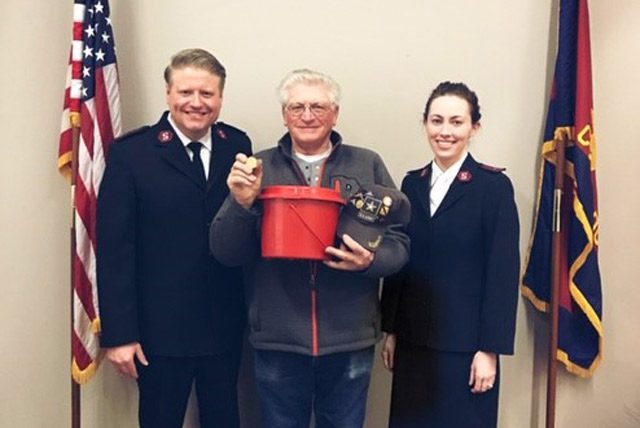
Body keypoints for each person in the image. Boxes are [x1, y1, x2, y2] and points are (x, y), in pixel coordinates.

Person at [210, 69, 410, 428]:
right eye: (296, 106)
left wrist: (370, 260)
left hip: (349, 338)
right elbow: (225, 251)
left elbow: (398, 242)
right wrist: (241, 204)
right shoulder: (258, 167)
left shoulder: (367, 164)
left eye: (318, 106)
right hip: (277, 340)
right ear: (284, 115)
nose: (307, 115)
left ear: (335, 113)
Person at [97, 48, 252, 428]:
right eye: (186, 92)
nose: (196, 103)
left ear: (220, 98)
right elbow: (115, 250)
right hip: (158, 332)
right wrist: (120, 335)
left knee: (224, 419)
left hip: (223, 324)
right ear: (168, 94)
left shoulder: (238, 145)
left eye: (207, 94)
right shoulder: (132, 154)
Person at [380, 81, 520, 428]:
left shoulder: (493, 188)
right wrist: (392, 330)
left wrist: (490, 350)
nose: (445, 131)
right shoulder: (412, 183)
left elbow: (502, 273)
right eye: (436, 120)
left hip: (467, 347)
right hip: (414, 344)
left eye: (456, 122)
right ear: (425, 124)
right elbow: (401, 262)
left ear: (474, 128)